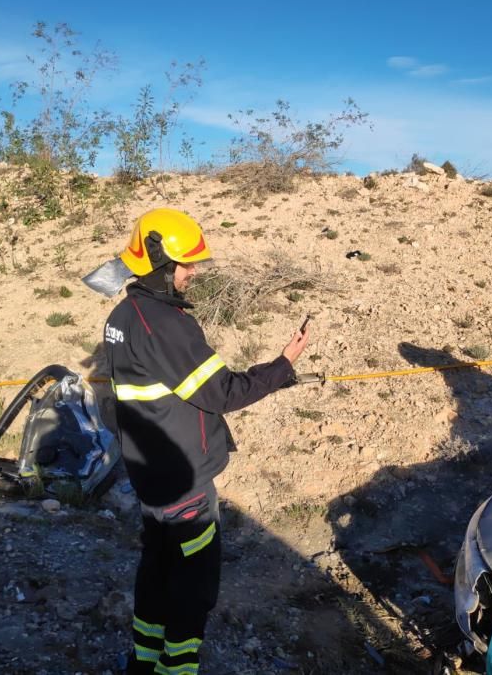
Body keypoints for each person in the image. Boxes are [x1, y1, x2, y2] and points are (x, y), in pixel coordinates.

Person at [101, 208, 309, 674]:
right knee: (193, 584)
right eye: (186, 263)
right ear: (159, 262)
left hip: (147, 475)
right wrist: (284, 363)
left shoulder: (122, 315)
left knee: (155, 569)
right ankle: (177, 669)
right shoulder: (167, 324)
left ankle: (143, 662)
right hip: (184, 481)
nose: (193, 271)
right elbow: (224, 392)